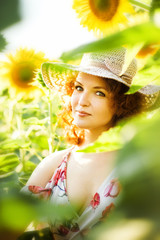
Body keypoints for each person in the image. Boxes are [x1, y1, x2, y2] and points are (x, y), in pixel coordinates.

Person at [20, 47, 160, 240]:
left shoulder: (140, 168)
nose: (82, 101)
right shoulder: (54, 164)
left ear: (124, 103)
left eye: (99, 93)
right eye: (78, 88)